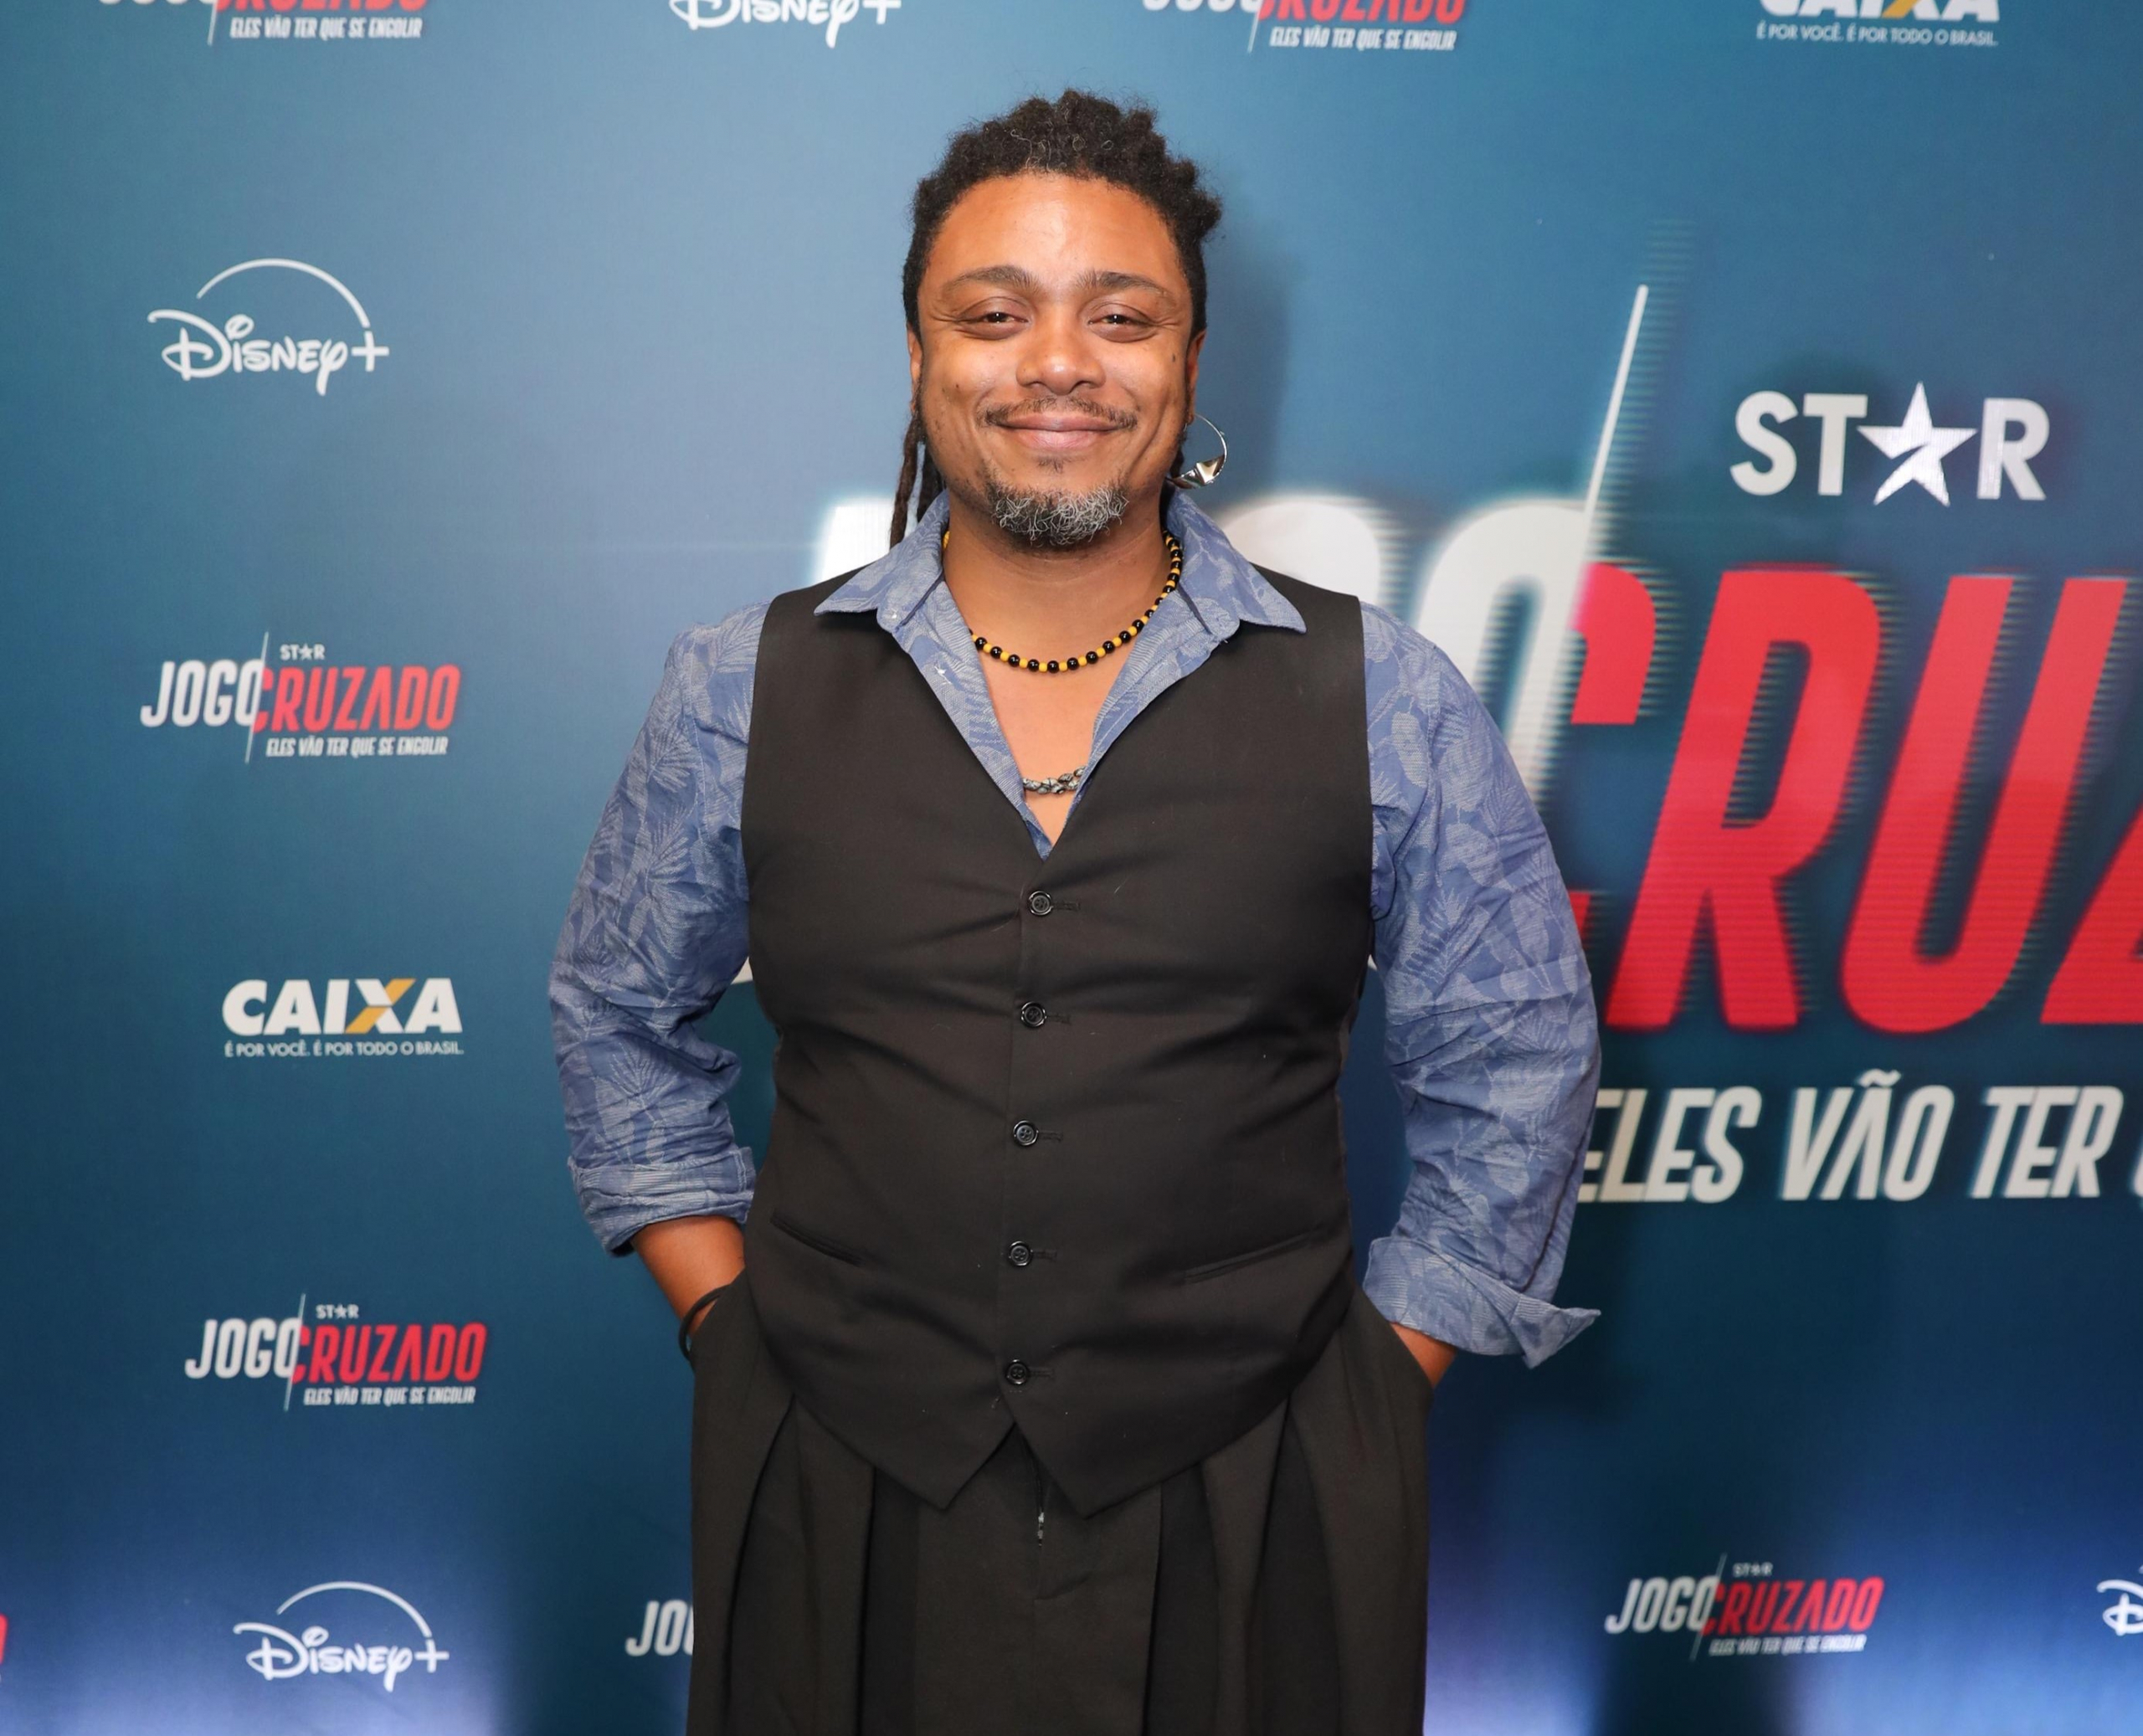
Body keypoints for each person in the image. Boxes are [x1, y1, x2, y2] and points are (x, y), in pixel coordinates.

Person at [550, 89, 1601, 1736]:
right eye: (995, 315)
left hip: (1261, 1488)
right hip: (839, 1479)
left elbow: (1517, 1046)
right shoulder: (738, 685)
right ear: (919, 355)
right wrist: (725, 1315)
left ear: (1189, 360)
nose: (1058, 363)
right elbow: (613, 1008)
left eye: (1121, 316)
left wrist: (1378, 1383)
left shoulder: (1382, 695)